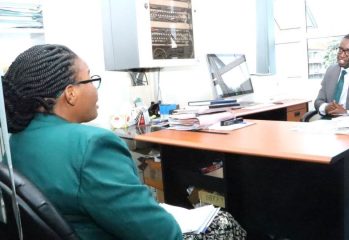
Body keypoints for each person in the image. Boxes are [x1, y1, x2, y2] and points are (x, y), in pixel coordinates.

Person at [2, 44, 246, 240]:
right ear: (71, 93)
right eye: (90, 79)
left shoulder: (14, 144)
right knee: (226, 223)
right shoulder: (92, 145)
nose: (95, 90)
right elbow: (162, 234)